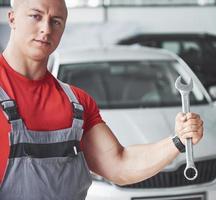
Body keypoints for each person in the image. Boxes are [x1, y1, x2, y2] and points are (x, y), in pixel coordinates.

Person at [0, 0, 204, 199]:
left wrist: (177, 140)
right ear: (12, 18)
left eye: (56, 21)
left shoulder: (77, 104)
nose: (46, 28)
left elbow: (120, 165)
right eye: (36, 16)